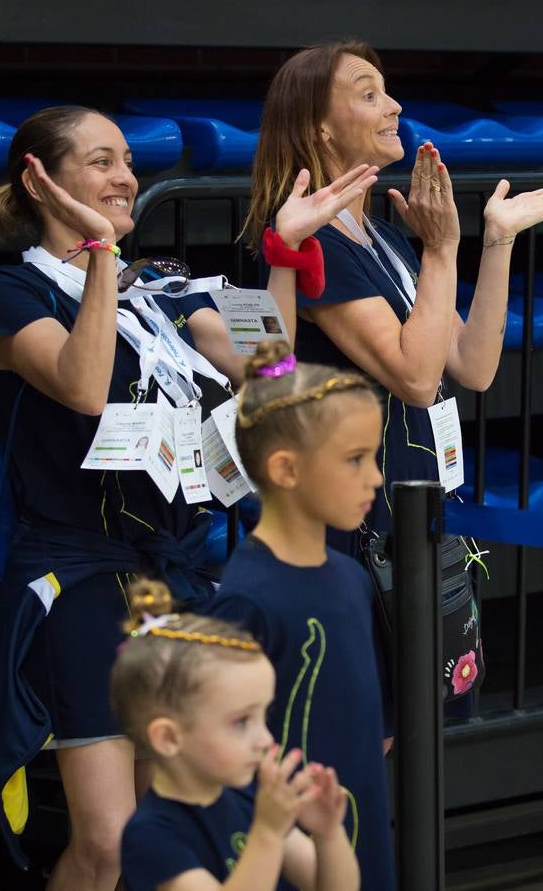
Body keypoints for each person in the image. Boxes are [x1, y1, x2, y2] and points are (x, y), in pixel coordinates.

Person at [0, 104, 378, 889]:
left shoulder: (162, 285)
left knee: (174, 830)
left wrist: (287, 253)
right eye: (99, 161)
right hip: (77, 580)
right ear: (40, 178)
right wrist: (98, 258)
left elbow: (275, 371)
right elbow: (85, 388)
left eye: (126, 159)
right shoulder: (10, 291)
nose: (125, 176)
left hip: (172, 581)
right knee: (108, 846)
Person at [244, 39, 543, 554]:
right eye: (369, 95)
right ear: (320, 126)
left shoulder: (383, 235)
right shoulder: (311, 245)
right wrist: (442, 248)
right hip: (358, 524)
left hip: (419, 502)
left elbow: (472, 366)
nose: (394, 106)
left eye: (388, 92)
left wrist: (498, 241)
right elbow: (419, 380)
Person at [209, 341, 395, 891]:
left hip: (358, 845)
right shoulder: (247, 599)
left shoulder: (353, 580)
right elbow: (224, 765)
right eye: (354, 460)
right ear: (286, 469)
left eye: (374, 458)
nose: (376, 479)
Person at [113, 578, 360, 891]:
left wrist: (328, 834)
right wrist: (268, 833)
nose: (267, 741)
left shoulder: (250, 797)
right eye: (242, 721)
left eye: (264, 715)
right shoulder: (152, 837)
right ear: (169, 738)